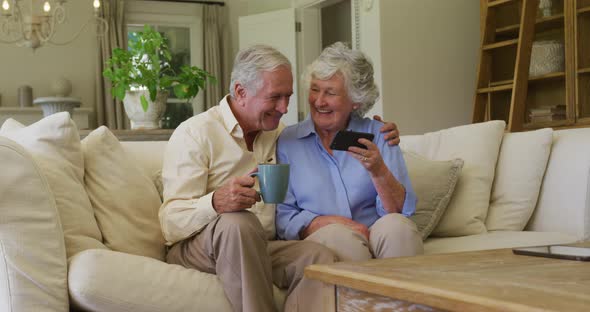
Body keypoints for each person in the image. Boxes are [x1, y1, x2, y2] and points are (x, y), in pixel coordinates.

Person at [159, 45, 400, 312]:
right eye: (275, 97)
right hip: (201, 247)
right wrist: (216, 202)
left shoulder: (280, 135)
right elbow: (170, 222)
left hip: (262, 244)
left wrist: (378, 130)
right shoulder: (196, 133)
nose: (284, 108)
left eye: (288, 97)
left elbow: (334, 134)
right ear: (241, 92)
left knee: (317, 255)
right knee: (237, 222)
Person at [276, 42, 423, 262]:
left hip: (377, 231)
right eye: (315, 89)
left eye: (330, 93)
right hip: (325, 233)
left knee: (398, 228)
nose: (319, 101)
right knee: (340, 238)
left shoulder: (380, 135)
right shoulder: (289, 142)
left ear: (355, 101)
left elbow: (399, 212)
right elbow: (285, 216)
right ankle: (371, 297)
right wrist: (340, 224)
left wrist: (378, 170)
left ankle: (402, 295)